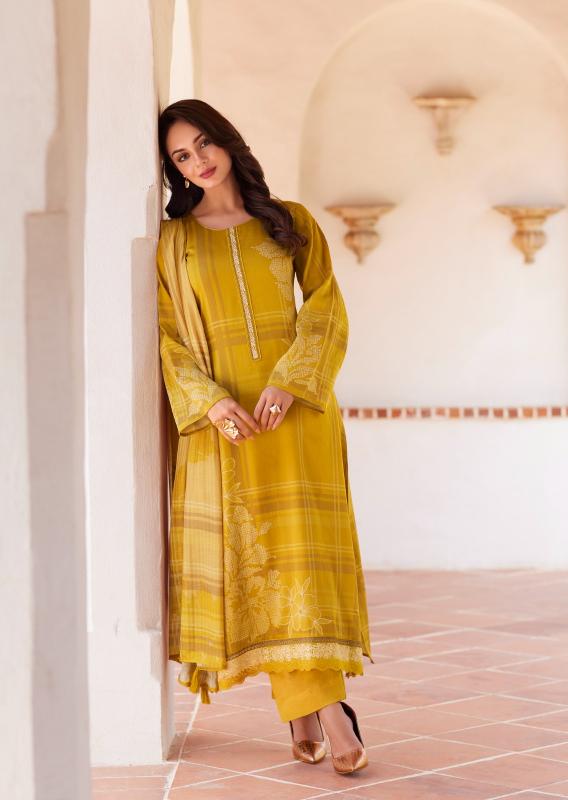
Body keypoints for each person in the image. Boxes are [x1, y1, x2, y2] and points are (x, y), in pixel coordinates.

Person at [156, 98, 375, 774]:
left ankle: (314, 712)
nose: (198, 160)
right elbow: (168, 338)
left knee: (300, 567)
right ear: (174, 169)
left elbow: (327, 310)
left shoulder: (291, 222)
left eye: (203, 143)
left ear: (227, 140)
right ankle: (323, 712)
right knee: (261, 565)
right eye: (181, 156)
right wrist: (214, 403)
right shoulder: (174, 243)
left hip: (297, 416)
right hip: (228, 429)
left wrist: (291, 381)